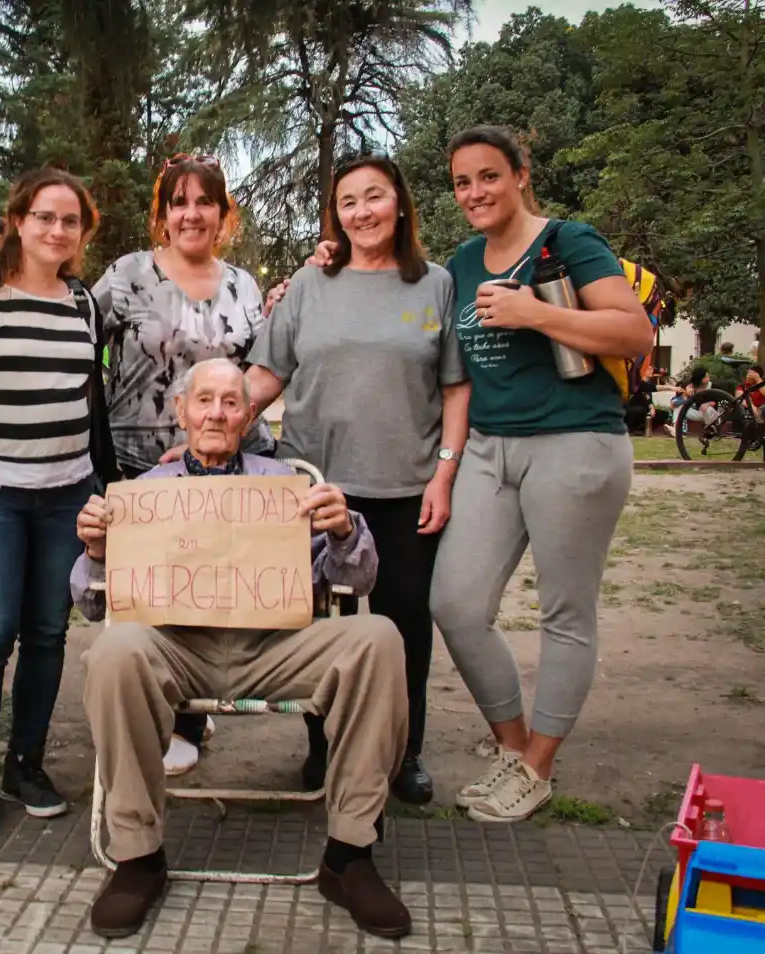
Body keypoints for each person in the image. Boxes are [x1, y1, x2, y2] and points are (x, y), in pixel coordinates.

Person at [73, 358, 410, 941]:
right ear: (180, 412)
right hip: (179, 649)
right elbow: (93, 604)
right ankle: (137, 858)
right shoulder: (141, 495)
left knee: (377, 637)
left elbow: (358, 582)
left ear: (249, 416)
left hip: (275, 647)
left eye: (231, 403)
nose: (216, 413)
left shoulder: (286, 487)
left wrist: (344, 532)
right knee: (113, 652)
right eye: (203, 400)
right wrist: (98, 552)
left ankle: (349, 857)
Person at [426, 125, 653, 822]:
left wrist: (534, 312)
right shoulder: (463, 261)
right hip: (491, 449)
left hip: (575, 441)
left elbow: (635, 333)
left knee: (565, 614)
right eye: (463, 182)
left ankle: (538, 766)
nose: (475, 193)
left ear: (520, 174)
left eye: (488, 176)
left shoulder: (570, 241)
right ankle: (515, 747)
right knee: (456, 605)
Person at [247, 155, 469, 805]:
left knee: (401, 628)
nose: (362, 211)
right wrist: (215, 422)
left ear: (399, 203)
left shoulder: (435, 285)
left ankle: (402, 754)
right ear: (335, 216)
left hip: (405, 484)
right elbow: (267, 374)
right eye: (348, 202)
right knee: (317, 625)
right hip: (315, 485)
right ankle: (324, 745)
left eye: (374, 197)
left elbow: (456, 387)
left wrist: (445, 476)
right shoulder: (311, 285)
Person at [0, 167, 119, 841]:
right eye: (44, 217)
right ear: (18, 220)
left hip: (67, 496)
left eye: (70, 221)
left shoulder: (82, 302)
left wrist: (98, 488)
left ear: (81, 231)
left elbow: (84, 399)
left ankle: (25, 764)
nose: (56, 231)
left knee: (47, 634)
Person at [92, 153, 275, 776]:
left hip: (222, 461)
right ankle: (154, 704)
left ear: (224, 214)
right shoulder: (126, 276)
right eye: (179, 202)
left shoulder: (243, 285)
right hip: (137, 457)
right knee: (149, 593)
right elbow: (80, 341)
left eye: (205, 202)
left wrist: (211, 431)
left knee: (204, 587)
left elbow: (259, 371)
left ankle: (188, 719)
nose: (191, 213)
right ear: (162, 214)